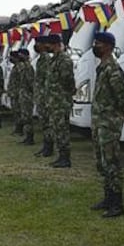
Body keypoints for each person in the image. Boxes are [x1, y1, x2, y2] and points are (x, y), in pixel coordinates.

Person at [90, 31, 124, 218]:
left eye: (98, 43)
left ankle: (117, 203)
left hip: (109, 123)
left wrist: (123, 114)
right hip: (100, 122)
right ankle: (108, 197)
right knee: (103, 162)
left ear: (108, 46)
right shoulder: (103, 67)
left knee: (112, 162)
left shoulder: (113, 69)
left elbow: (121, 95)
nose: (95, 46)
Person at [45, 34, 75, 168]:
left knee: (62, 129)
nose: (47, 47)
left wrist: (64, 95)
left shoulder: (64, 60)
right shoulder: (54, 59)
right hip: (54, 101)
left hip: (61, 101)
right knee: (56, 128)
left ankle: (65, 158)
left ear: (56, 44)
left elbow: (67, 80)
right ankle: (60, 156)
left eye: (49, 45)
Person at [32, 36, 57, 157]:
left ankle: (49, 147)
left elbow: (48, 79)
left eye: (38, 43)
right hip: (41, 96)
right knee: (43, 122)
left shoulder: (47, 59)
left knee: (48, 123)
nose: (36, 46)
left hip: (46, 96)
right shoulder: (40, 59)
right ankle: (46, 146)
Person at [18, 48, 37, 146]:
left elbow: (31, 82)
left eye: (21, 55)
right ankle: (27, 136)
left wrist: (32, 94)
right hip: (23, 94)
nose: (19, 57)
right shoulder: (23, 67)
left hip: (27, 95)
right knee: (24, 117)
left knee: (28, 117)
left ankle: (30, 138)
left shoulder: (28, 67)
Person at [7, 50, 23, 134]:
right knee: (15, 111)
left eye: (11, 57)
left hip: (17, 93)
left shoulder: (19, 67)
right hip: (14, 92)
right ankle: (17, 127)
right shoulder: (15, 67)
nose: (10, 59)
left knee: (18, 111)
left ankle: (20, 129)